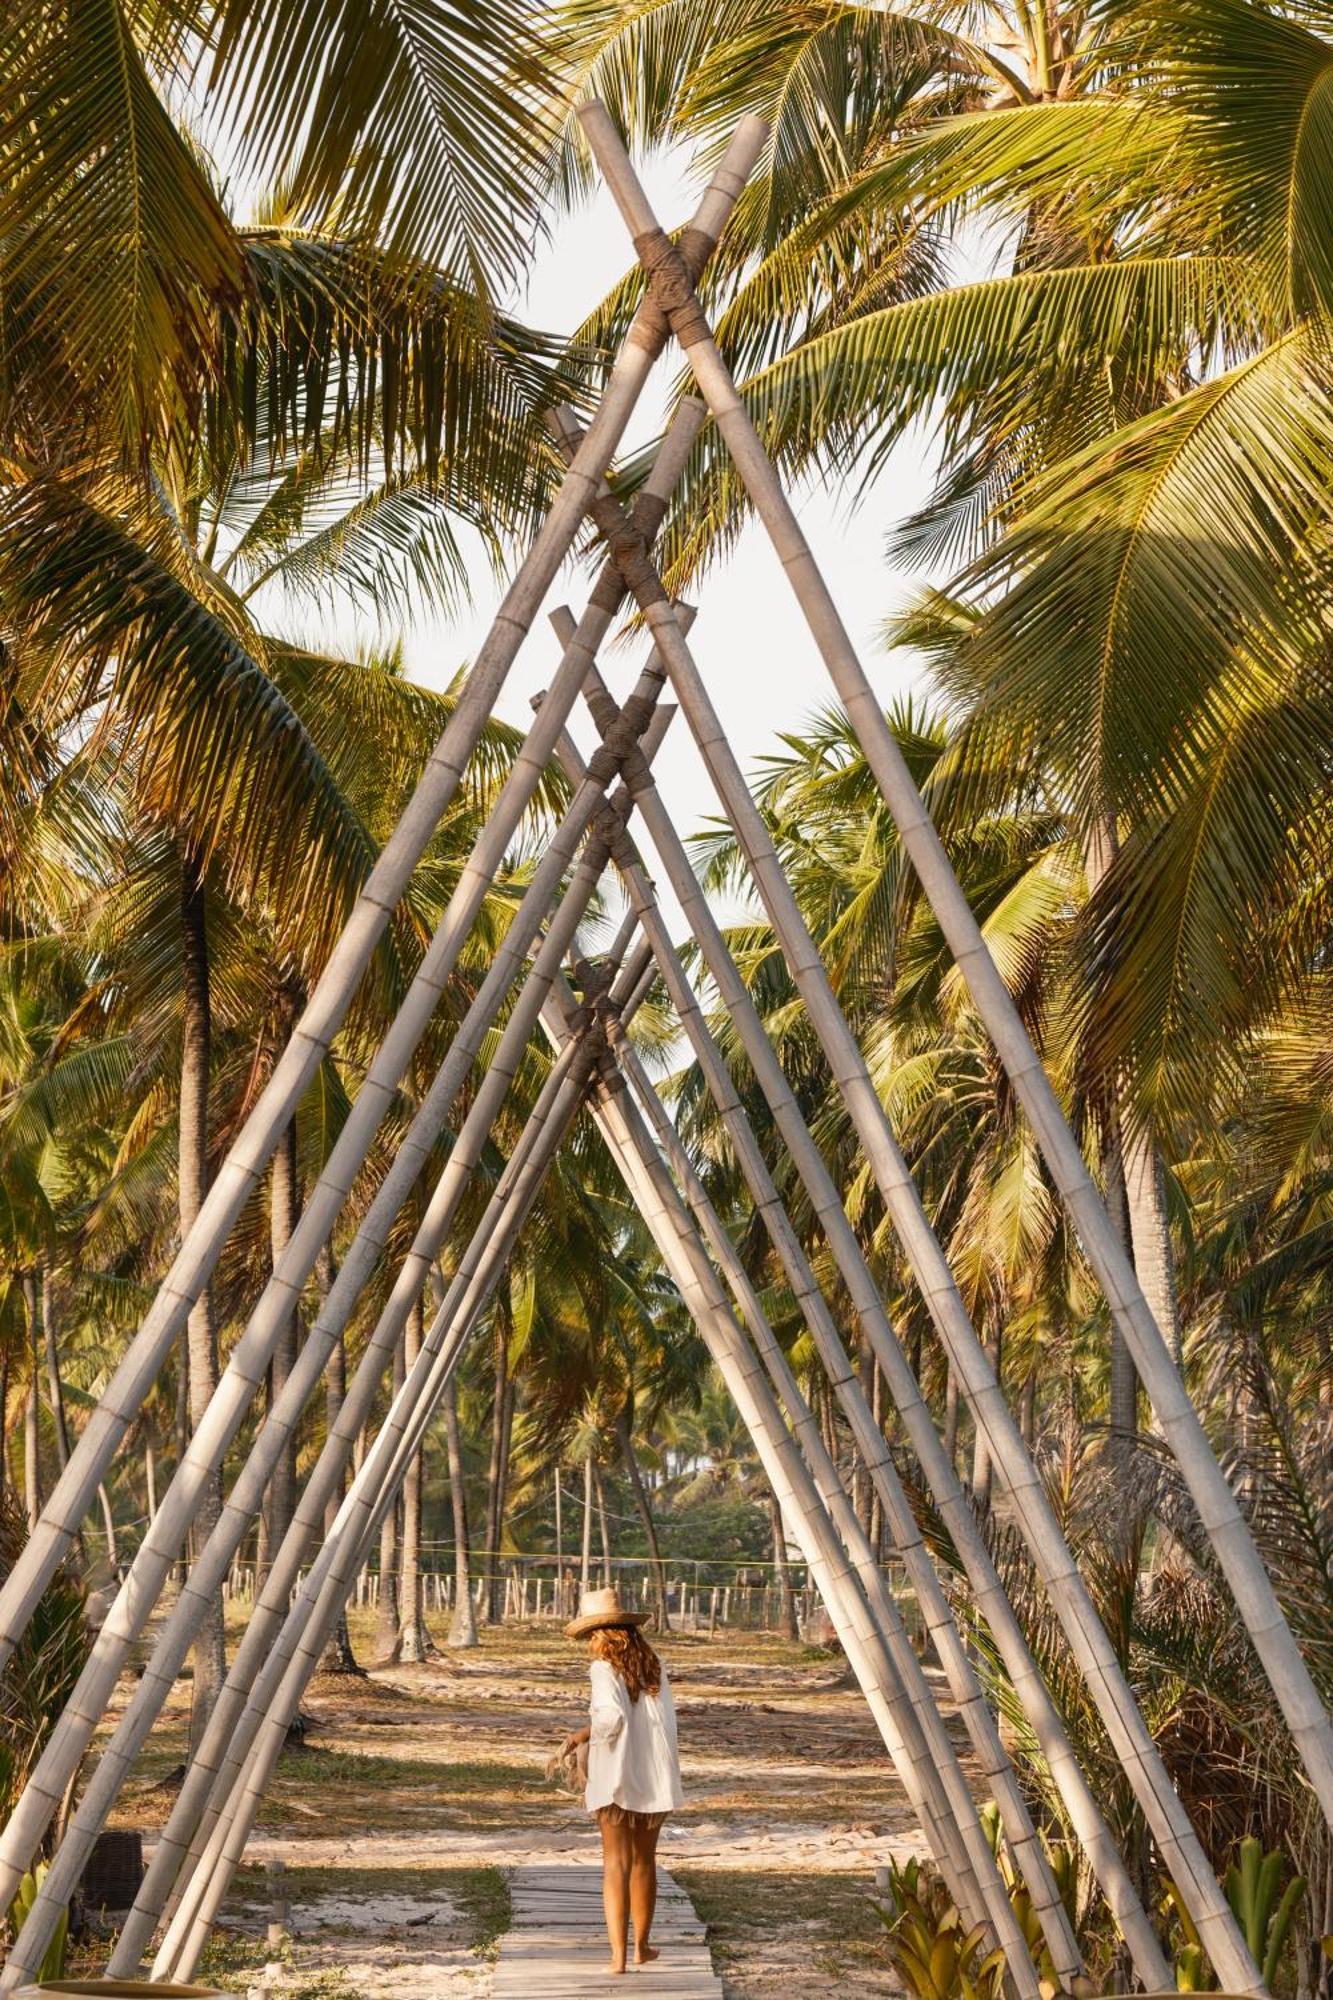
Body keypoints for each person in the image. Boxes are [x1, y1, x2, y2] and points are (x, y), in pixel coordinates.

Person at [561, 1586, 684, 1975]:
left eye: (590, 1636)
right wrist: (587, 1730)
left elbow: (612, 1719)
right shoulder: (654, 1664)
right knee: (645, 1862)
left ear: (600, 1634)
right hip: (654, 1777)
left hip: (615, 1777)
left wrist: (588, 1738)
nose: (590, 1643)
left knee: (615, 1863)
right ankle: (641, 1948)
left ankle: (616, 1958)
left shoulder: (602, 1668)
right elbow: (650, 1720)